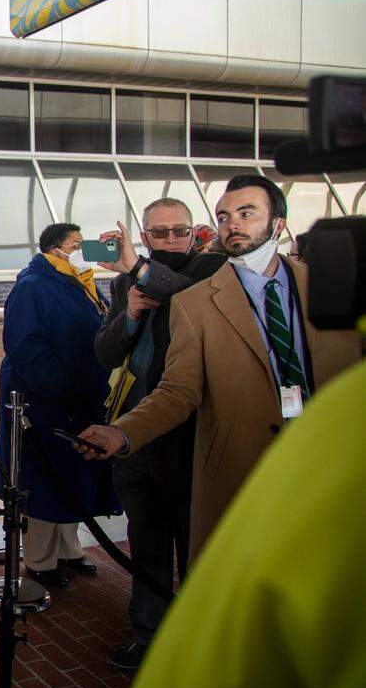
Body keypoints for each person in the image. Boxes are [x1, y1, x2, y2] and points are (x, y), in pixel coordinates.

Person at [78, 175, 359, 560]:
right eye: (224, 216)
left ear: (279, 223)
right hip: (225, 461)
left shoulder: (329, 288)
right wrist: (122, 433)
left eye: (247, 213)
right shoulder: (183, 299)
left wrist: (139, 267)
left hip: (322, 462)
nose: (233, 225)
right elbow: (176, 388)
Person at [92, 200, 227, 670]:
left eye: (179, 231)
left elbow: (193, 295)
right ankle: (148, 637)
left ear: (193, 233)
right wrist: (128, 314)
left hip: (190, 437)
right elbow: (105, 352)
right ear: (145, 237)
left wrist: (139, 269)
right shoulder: (125, 282)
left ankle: (196, 641)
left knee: (196, 544)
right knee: (146, 541)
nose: (171, 240)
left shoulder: (211, 268)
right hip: (133, 435)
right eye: (159, 233)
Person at [0, 223, 120, 591]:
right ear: (54, 250)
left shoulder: (83, 283)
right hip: (47, 404)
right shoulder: (33, 287)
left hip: (83, 400)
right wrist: (60, 391)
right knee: (44, 480)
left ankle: (68, 548)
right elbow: (28, 348)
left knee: (75, 475)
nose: (84, 250)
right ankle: (39, 559)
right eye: (76, 245)